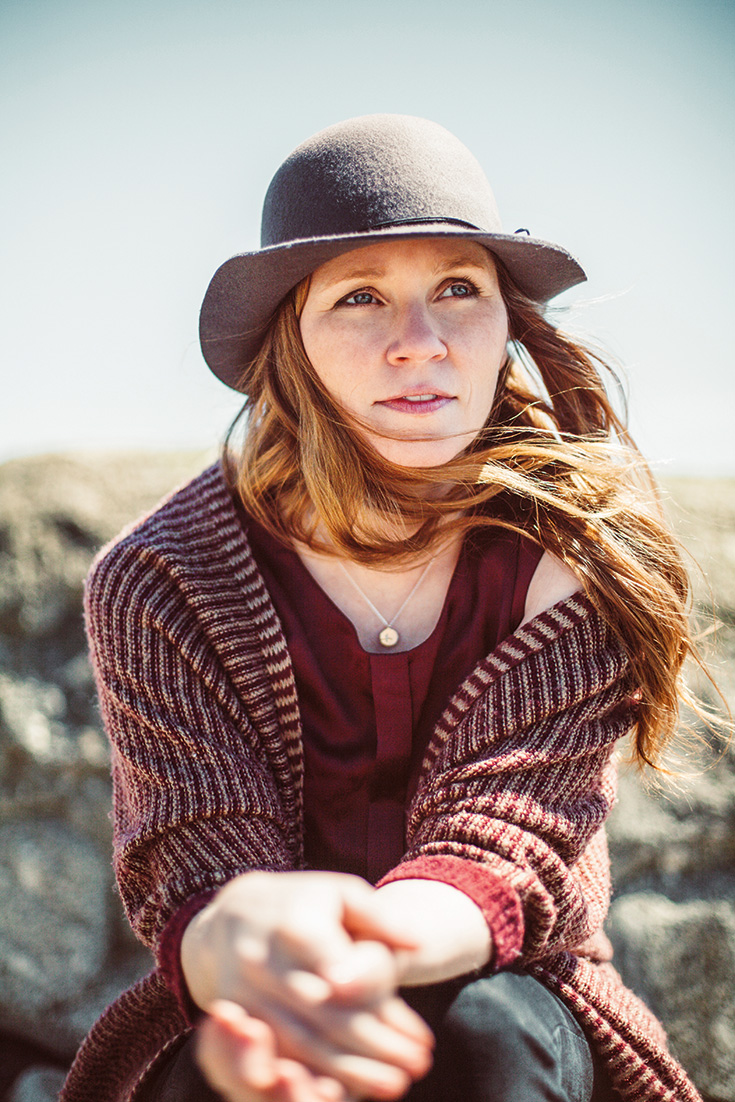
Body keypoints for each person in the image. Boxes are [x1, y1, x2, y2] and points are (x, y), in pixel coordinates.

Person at [60, 114, 707, 1102]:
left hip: (507, 987)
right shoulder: (160, 578)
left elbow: (507, 840)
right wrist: (260, 976)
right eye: (361, 297)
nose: (420, 342)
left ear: (508, 324)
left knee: (485, 1032)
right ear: (294, 342)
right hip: (246, 993)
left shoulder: (575, 556)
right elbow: (199, 853)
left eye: (458, 288)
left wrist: (362, 962)